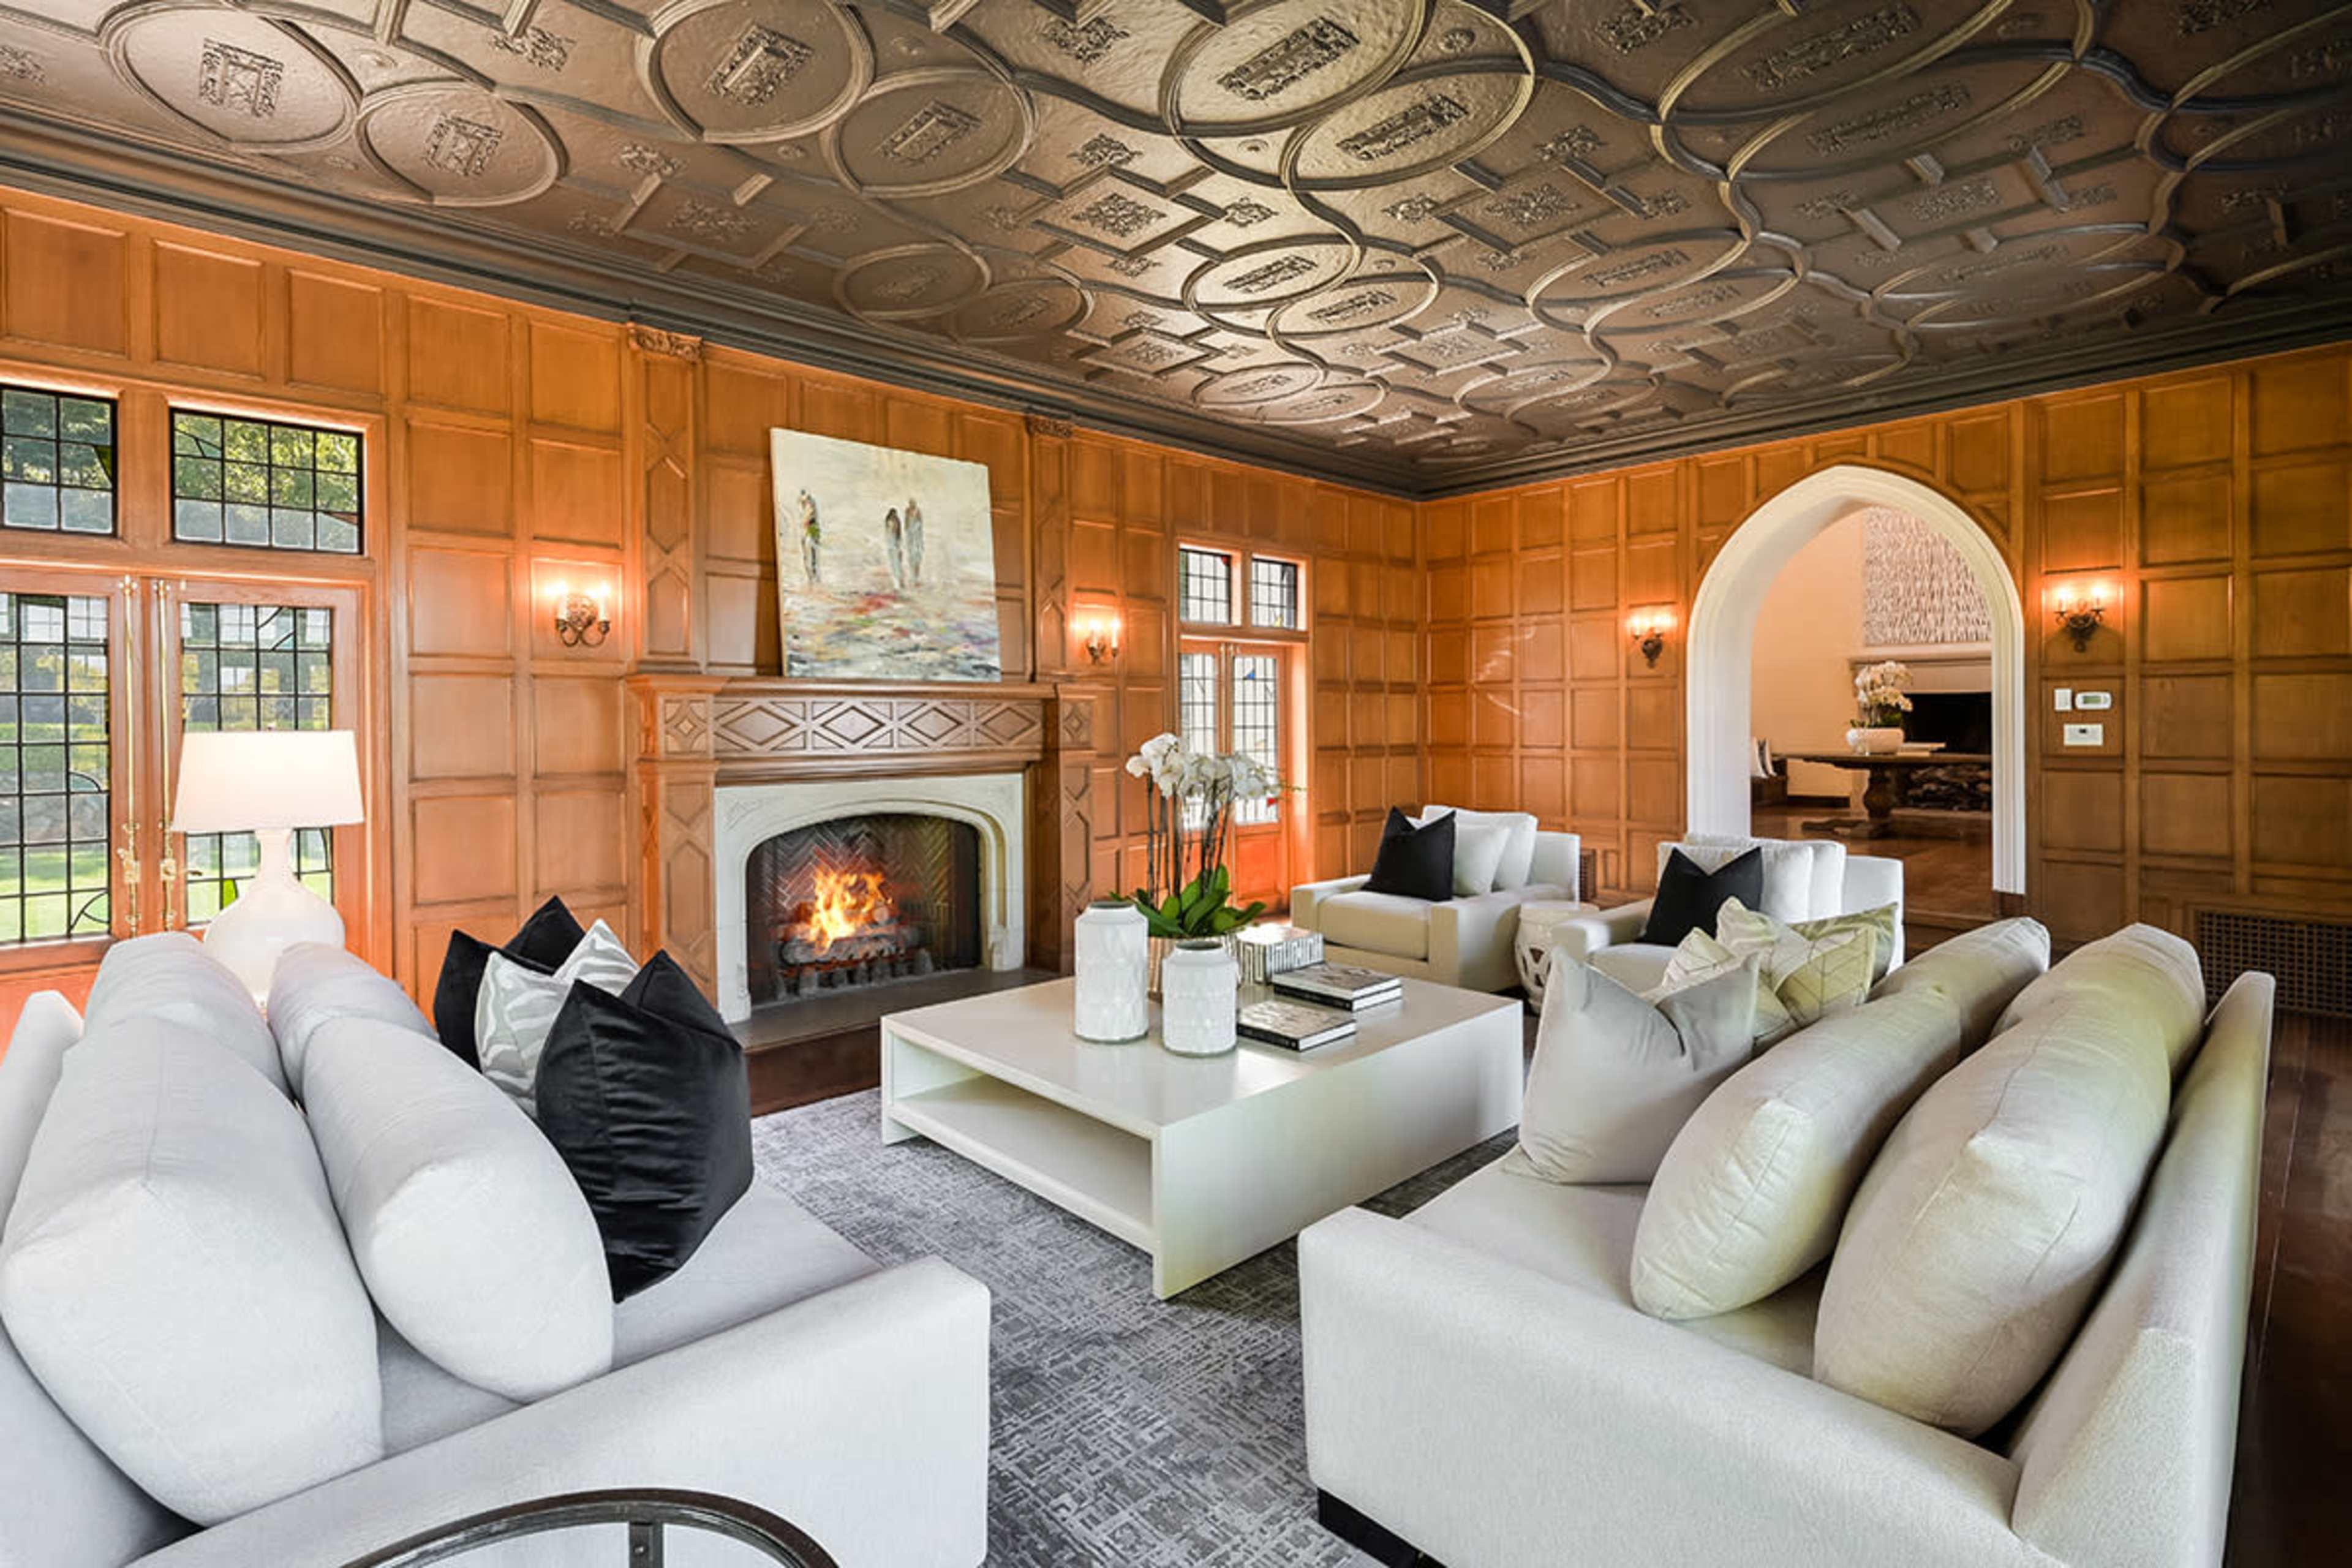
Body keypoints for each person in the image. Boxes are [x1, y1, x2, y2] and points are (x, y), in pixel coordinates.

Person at [796, 489, 821, 584]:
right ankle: (811, 579)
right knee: (806, 556)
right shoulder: (804, 507)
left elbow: (809, 521)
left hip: (811, 530)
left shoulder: (810, 506)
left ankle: (813, 579)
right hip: (806, 531)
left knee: (812, 555)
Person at [883, 505, 905, 590]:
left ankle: (898, 584)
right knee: (894, 566)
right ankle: (897, 584)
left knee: (897, 566)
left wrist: (899, 549)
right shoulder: (889, 528)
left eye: (895, 520)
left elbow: (899, 541)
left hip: (895, 548)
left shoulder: (897, 533)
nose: (894, 524)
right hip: (891, 548)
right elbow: (888, 538)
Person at [903, 497, 924, 584]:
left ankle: (916, 578)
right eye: (911, 503)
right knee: (911, 558)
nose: (912, 505)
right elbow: (906, 526)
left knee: (917, 558)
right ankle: (913, 577)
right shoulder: (907, 512)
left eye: (913, 503)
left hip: (917, 538)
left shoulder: (918, 512)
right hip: (910, 538)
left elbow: (920, 524)